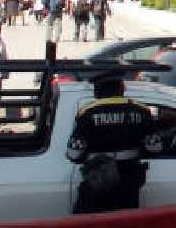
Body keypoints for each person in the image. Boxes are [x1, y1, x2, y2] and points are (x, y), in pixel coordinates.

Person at [66, 72, 159, 214]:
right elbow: (154, 148)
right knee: (123, 225)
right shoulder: (142, 111)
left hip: (97, 182)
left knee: (91, 226)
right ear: (122, 87)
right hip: (128, 182)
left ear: (97, 91)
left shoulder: (87, 113)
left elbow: (74, 154)